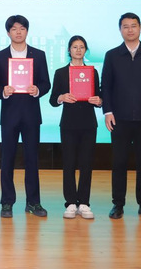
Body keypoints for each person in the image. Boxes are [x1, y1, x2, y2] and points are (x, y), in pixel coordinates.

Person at [101, 12, 141, 221]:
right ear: (120, 30)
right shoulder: (112, 55)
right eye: (125, 26)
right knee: (119, 163)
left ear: (140, 28)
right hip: (119, 119)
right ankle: (118, 204)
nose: (130, 30)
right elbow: (106, 86)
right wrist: (108, 112)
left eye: (133, 26)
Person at [0, 15, 51, 218]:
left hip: (31, 115)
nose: (18, 32)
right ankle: (7, 202)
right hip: (9, 115)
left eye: (22, 28)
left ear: (27, 31)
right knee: (7, 159)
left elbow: (46, 83)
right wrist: (3, 91)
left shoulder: (38, 55)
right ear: (8, 32)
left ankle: (33, 202)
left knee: (32, 159)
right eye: (14, 29)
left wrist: (37, 90)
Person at [49, 36, 102, 219]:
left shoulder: (92, 72)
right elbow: (52, 100)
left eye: (81, 47)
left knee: (86, 164)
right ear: (69, 50)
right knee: (69, 163)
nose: (78, 50)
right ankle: (71, 202)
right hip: (69, 124)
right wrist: (61, 97)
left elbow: (100, 96)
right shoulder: (61, 73)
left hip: (88, 124)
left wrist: (99, 101)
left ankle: (84, 203)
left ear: (85, 50)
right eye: (74, 47)